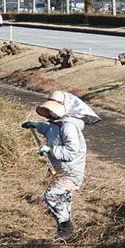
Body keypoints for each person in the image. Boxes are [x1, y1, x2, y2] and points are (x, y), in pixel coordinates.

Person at [21, 91, 100, 240]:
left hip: (70, 171)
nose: (50, 113)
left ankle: (65, 226)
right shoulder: (57, 124)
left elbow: (70, 153)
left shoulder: (68, 126)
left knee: (52, 195)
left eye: (52, 110)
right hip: (60, 170)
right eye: (49, 110)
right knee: (63, 198)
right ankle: (67, 234)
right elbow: (49, 130)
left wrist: (50, 149)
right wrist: (36, 124)